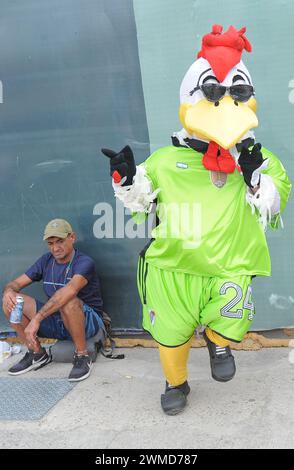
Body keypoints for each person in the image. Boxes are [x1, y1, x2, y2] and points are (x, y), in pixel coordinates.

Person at [102, 25, 291, 414]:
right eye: (212, 91)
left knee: (230, 315)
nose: (223, 102)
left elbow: (277, 201)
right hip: (173, 266)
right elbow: (139, 200)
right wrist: (126, 177)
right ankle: (177, 384)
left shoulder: (254, 157)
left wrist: (255, 179)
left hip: (228, 264)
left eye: (235, 91)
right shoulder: (166, 160)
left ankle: (218, 340)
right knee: (170, 335)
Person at [2, 218, 105, 382]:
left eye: (60, 241)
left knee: (69, 301)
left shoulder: (84, 262)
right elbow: (16, 283)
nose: (55, 248)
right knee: (12, 302)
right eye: (50, 243)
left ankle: (82, 356)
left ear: (72, 237)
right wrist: (8, 291)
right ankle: (36, 353)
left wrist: (36, 319)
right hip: (56, 319)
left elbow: (69, 291)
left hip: (87, 323)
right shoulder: (46, 260)